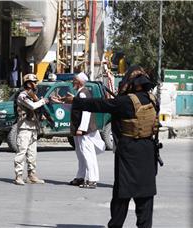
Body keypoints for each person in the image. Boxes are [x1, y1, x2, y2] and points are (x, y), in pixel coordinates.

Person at [56, 66, 158, 227]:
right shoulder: (153, 99)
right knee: (145, 195)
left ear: (134, 85)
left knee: (122, 194)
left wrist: (75, 100)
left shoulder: (126, 102)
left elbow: (100, 105)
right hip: (148, 150)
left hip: (129, 151)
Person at [67, 72, 105, 189]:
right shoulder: (80, 93)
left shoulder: (83, 94)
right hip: (79, 129)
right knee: (81, 154)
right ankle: (80, 176)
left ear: (79, 82)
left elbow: (86, 112)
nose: (72, 82)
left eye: (74, 80)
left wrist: (82, 129)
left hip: (84, 130)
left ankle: (92, 179)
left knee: (88, 154)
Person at [13, 74, 49, 185]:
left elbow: (35, 109)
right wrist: (43, 101)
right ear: (28, 83)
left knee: (32, 153)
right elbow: (32, 106)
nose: (36, 84)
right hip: (24, 127)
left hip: (33, 127)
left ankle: (31, 175)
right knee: (22, 152)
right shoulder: (22, 96)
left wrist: (41, 115)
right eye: (35, 82)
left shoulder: (32, 95)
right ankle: (18, 176)